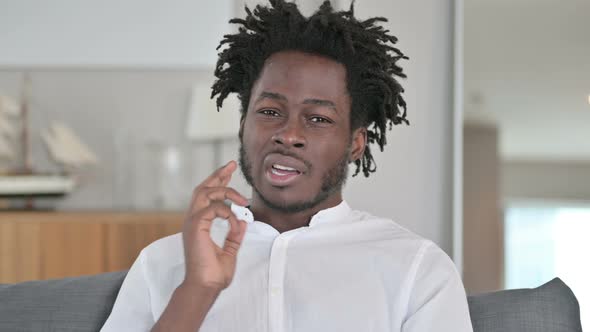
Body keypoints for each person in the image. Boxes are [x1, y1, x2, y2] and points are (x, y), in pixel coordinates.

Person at [101, 1, 473, 331]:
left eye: (318, 119)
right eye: (269, 112)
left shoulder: (416, 269)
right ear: (243, 124)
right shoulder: (161, 264)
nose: (288, 134)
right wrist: (198, 290)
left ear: (355, 144)